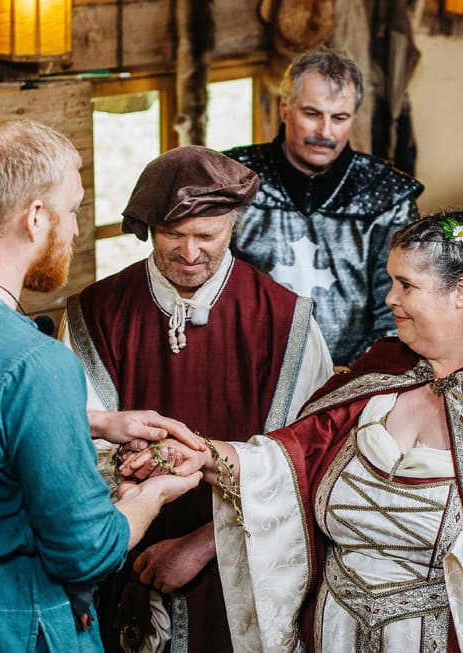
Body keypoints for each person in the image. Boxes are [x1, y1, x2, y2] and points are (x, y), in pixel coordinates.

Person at [143, 209, 463, 651]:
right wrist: (206, 455)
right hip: (336, 632)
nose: (389, 298)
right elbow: (294, 457)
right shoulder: (384, 371)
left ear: (461, 293)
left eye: (405, 285)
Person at [0, 119, 203, 653]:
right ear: (34, 217)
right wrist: (152, 494)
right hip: (11, 618)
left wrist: (94, 422)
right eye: (71, 211)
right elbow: (89, 550)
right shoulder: (38, 363)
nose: (74, 229)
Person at [61, 145, 333, 653]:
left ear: (234, 224)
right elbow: (76, 451)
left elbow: (305, 466)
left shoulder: (285, 323)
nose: (189, 253)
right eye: (172, 235)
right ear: (147, 229)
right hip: (126, 564)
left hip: (241, 574)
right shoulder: (95, 315)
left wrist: (204, 544)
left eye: (206, 236)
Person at [225, 48, 424, 367]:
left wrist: (354, 376)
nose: (325, 132)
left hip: (353, 378)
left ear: (353, 119)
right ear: (284, 108)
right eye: (312, 114)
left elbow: (399, 308)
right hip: (248, 370)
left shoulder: (387, 195)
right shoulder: (233, 180)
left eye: (339, 118)